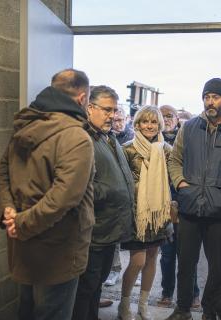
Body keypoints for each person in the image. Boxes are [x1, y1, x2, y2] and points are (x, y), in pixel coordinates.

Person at [0, 69, 94, 320]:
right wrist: (20, 224)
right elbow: (63, 199)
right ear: (81, 99)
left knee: (27, 311)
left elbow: (0, 179)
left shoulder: (24, 127)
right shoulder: (77, 137)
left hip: (23, 247)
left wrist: (8, 212)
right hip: (59, 252)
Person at [166, 78, 221, 320]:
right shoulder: (190, 127)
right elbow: (175, 160)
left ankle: (209, 309)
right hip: (189, 209)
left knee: (218, 268)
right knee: (185, 264)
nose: (210, 102)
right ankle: (183, 308)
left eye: (215, 97)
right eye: (206, 97)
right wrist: (181, 185)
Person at [72, 86, 135, 320]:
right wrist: (111, 190)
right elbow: (78, 186)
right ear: (90, 108)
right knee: (86, 290)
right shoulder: (84, 138)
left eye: (115, 110)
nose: (112, 115)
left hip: (109, 230)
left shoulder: (107, 137)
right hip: (94, 233)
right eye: (107, 110)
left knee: (97, 287)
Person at [117, 106, 173, 320]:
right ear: (137, 124)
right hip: (136, 214)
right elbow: (123, 181)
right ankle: (124, 305)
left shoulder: (166, 149)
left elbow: (169, 179)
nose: (149, 126)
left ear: (159, 125)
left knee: (152, 259)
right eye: (145, 122)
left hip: (158, 213)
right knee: (137, 261)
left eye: (153, 122)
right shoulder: (127, 148)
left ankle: (142, 305)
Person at [157, 105, 200, 309]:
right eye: (162, 116)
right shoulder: (154, 142)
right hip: (164, 204)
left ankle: (192, 294)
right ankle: (167, 293)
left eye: (170, 116)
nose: (166, 119)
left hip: (185, 203)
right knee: (166, 255)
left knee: (187, 254)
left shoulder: (187, 141)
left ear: (176, 119)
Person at [103, 105, 136, 290]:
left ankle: (133, 269)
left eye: (121, 120)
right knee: (114, 238)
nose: (118, 123)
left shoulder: (131, 137)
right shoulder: (108, 138)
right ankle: (115, 269)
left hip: (128, 193)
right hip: (114, 194)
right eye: (116, 120)